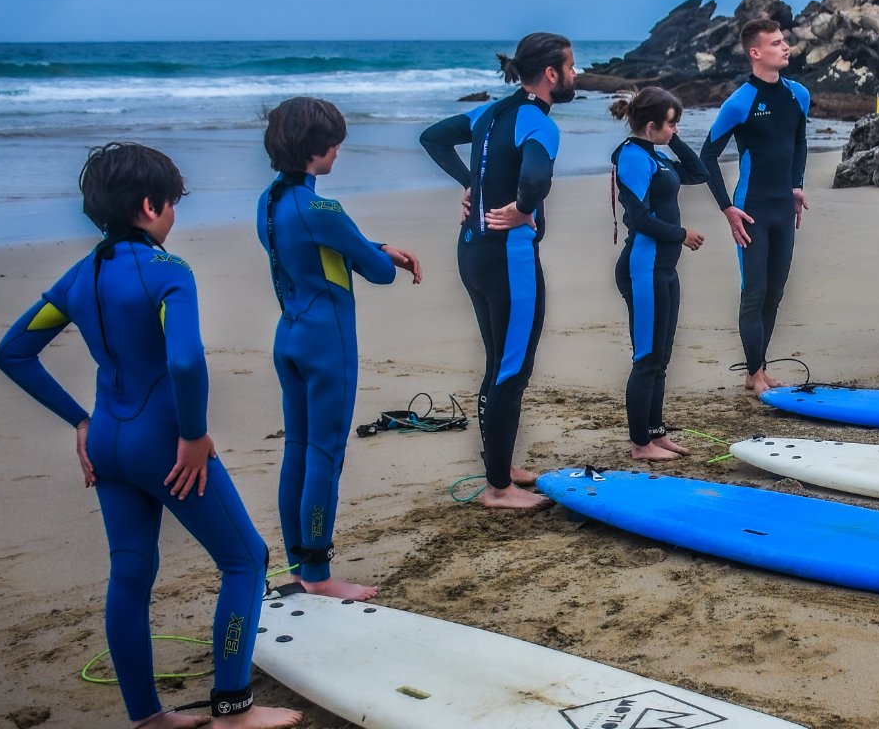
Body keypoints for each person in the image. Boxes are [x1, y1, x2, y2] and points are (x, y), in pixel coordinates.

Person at [0, 143, 301, 729]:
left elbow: (13, 353)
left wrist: (80, 420)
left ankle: (146, 718)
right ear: (150, 205)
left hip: (106, 443)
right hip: (164, 443)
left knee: (130, 573)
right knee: (245, 561)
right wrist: (193, 435)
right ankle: (233, 710)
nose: (173, 216)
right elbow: (185, 359)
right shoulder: (168, 272)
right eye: (172, 206)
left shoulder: (77, 279)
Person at [256, 98, 421, 599]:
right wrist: (379, 253)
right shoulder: (323, 207)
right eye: (336, 145)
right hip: (329, 346)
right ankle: (320, 575)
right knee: (326, 456)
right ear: (319, 150)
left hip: (289, 335)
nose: (338, 153)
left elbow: (317, 244)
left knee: (298, 453)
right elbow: (380, 273)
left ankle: (297, 563)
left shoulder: (271, 200)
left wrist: (370, 244)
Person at [419, 32, 575, 509]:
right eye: (571, 66)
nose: (575, 74)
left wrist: (475, 184)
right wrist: (525, 207)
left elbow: (434, 138)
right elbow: (535, 177)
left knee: (498, 364)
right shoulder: (537, 122)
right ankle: (499, 489)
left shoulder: (489, 114)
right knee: (511, 370)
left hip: (472, 253)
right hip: (509, 261)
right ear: (551, 74)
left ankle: (500, 466)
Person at [699, 17, 810, 394]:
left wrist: (797, 186)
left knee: (775, 292)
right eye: (776, 42)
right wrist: (727, 208)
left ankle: (755, 371)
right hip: (752, 210)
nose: (785, 46)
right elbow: (707, 155)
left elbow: (799, 142)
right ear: (755, 52)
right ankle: (755, 372)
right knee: (755, 290)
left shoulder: (798, 94)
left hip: (783, 207)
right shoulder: (740, 101)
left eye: (784, 40)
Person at [609, 86, 707, 462]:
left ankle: (655, 433)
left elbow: (697, 173)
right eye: (671, 123)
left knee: (661, 357)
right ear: (651, 125)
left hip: (664, 269)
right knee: (647, 357)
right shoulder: (633, 158)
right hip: (643, 268)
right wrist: (682, 235)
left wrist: (676, 139)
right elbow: (640, 218)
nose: (675, 128)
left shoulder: (656, 156)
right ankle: (639, 444)